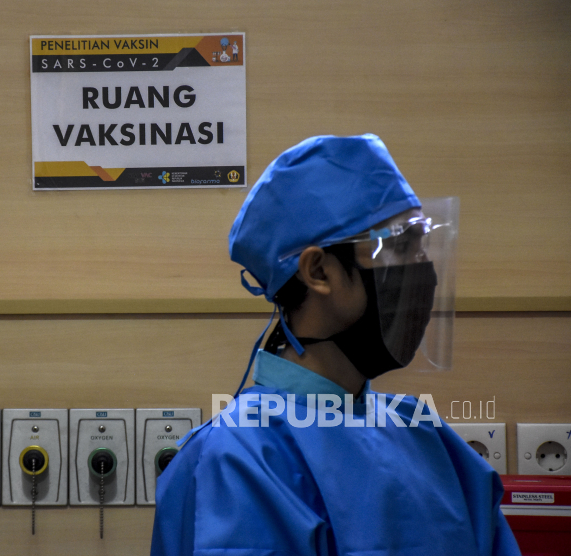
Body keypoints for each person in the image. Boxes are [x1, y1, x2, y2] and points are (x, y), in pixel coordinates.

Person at [150, 134, 521, 555]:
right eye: (399, 246)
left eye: (422, 245)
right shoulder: (238, 460)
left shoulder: (429, 438)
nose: (421, 271)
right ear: (318, 271)